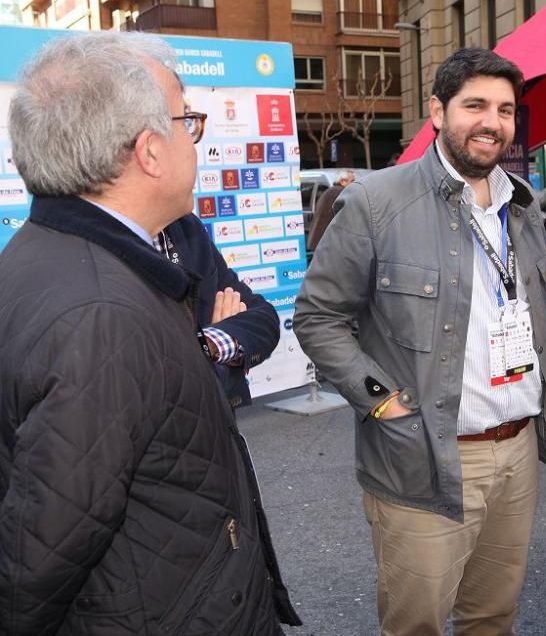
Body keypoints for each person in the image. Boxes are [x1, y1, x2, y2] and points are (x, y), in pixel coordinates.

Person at [0, 31, 300, 634]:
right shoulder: (103, 316)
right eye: (186, 120)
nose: (198, 139)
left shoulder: (58, 256)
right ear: (150, 151)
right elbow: (36, 565)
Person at [294, 48, 546, 635]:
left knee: (493, 617)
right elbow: (318, 316)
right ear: (437, 112)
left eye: (505, 109)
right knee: (416, 625)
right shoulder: (376, 203)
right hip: (422, 457)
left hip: (517, 450)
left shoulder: (520, 207)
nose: (491, 122)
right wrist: (382, 400)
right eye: (475, 105)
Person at [155, 218, 280, 408]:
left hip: (217, 421)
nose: (195, 185)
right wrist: (210, 350)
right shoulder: (100, 248)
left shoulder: (187, 227)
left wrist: (214, 342)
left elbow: (264, 317)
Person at [306, 171, 355, 252]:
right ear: (342, 181)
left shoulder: (330, 191)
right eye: (352, 180)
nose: (355, 183)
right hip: (329, 243)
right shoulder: (342, 193)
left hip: (319, 241)